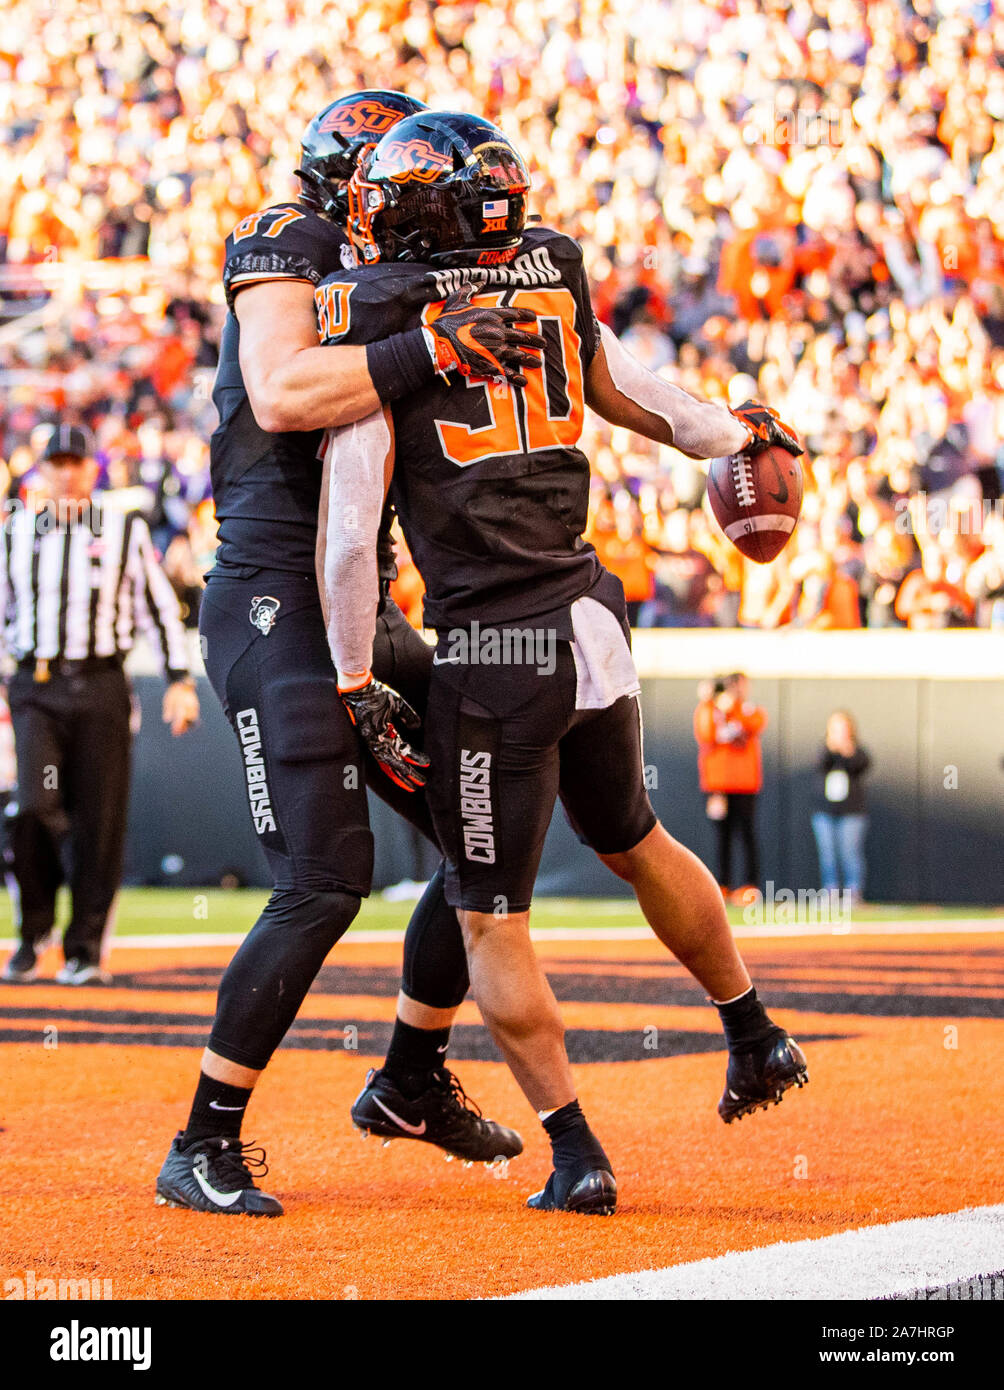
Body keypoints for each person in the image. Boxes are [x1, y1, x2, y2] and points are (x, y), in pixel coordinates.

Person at [316, 111, 809, 1216]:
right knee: (633, 836)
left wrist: (353, 677)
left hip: (497, 643)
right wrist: (738, 434)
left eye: (394, 201)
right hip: (590, 612)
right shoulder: (550, 272)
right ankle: (753, 1028)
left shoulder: (385, 316)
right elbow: (644, 398)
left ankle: (573, 1147)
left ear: (423, 217)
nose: (377, 214)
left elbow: (352, 532)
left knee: (491, 910)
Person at [155, 92, 542, 1219]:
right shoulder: (288, 242)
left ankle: (410, 1080)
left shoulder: (413, 270)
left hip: (359, 602)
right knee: (326, 880)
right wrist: (427, 341)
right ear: (348, 182)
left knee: (490, 839)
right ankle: (202, 1139)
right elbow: (280, 392)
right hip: (274, 602)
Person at [0, 423, 200, 985]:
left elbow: (159, 608)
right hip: (37, 686)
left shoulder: (121, 529)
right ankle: (33, 929)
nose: (65, 472)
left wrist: (180, 680)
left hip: (102, 686)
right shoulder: (16, 531)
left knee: (99, 819)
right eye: (56, 462)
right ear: (41, 469)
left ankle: (84, 947)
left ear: (92, 469)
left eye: (75, 463)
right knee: (34, 805)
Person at [693, 673, 767, 899]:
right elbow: (706, 734)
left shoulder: (748, 708)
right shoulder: (709, 710)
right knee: (721, 837)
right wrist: (711, 703)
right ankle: (722, 885)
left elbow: (756, 723)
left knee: (746, 835)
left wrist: (732, 707)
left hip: (745, 784)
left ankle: (749, 885)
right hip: (719, 785)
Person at [811, 712, 871, 905]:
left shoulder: (857, 752)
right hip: (826, 811)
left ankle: (853, 893)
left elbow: (862, 764)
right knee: (828, 853)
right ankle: (830, 891)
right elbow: (821, 764)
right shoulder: (824, 750)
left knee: (849, 852)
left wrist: (847, 751)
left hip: (851, 812)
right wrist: (832, 747)